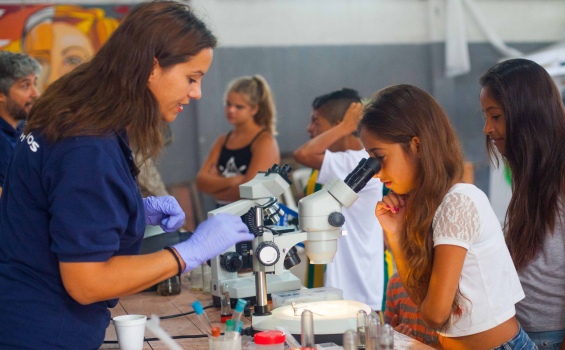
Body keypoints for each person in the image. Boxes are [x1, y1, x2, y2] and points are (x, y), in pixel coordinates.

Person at [0, 2, 254, 348]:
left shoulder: (76, 113)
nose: (197, 93)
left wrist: (130, 208)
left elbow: (56, 205)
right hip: (43, 330)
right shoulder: (87, 145)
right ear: (152, 67)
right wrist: (187, 253)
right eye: (191, 78)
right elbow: (86, 283)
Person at [359, 84, 534, 349]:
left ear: (416, 145)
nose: (374, 172)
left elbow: (435, 315)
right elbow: (424, 301)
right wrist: (395, 234)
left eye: (379, 157)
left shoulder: (458, 202)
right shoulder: (434, 205)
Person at [480, 58, 565, 349]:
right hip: (521, 333)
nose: (488, 128)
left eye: (496, 116)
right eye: (485, 116)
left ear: (528, 112)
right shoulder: (527, 170)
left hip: (564, 338)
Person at [293, 88, 384, 310]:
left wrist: (346, 126)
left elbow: (303, 154)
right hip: (344, 283)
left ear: (338, 125)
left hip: (355, 288)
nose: (309, 128)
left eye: (316, 121)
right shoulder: (345, 162)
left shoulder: (357, 161)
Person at [196, 74, 280, 206]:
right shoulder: (223, 140)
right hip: (224, 216)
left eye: (239, 107)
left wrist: (217, 188)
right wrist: (235, 181)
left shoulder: (264, 141)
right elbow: (201, 181)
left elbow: (251, 190)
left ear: (254, 109)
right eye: (228, 104)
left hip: (254, 220)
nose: (231, 110)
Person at [0, 51, 40, 196]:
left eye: (34, 83)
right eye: (25, 86)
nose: (35, 93)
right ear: (1, 94)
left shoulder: (28, 128)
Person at [384, 272, 439, 346]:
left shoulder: (452, 286)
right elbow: (387, 331)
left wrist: (414, 346)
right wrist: (393, 336)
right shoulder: (396, 281)